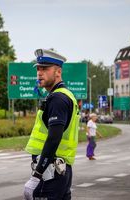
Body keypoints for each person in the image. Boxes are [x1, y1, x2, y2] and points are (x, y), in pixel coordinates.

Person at [23, 49, 80, 199]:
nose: (40, 73)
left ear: (58, 72)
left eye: (45, 69)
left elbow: (54, 138)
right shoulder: (64, 95)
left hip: (50, 173)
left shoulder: (58, 98)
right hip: (59, 171)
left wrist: (37, 174)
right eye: (38, 68)